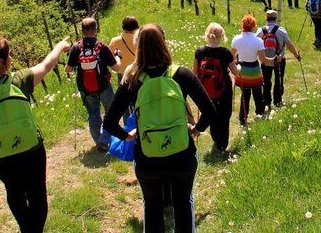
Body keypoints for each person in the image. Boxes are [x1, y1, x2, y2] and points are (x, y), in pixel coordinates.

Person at [103, 24, 215, 233]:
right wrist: (196, 129)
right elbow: (209, 110)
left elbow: (109, 122)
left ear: (138, 47)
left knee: (152, 207)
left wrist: (128, 136)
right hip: (182, 154)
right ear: (164, 43)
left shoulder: (132, 79)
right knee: (184, 203)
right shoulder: (181, 74)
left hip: (147, 157)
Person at [0, 35, 70, 233]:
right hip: (32, 150)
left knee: (14, 191)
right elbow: (46, 65)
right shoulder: (19, 80)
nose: (11, 57)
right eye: (9, 55)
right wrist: (60, 46)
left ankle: (26, 229)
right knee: (37, 193)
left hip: (0, 155)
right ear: (2, 62)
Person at [66, 17, 124, 151]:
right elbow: (116, 68)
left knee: (93, 113)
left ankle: (98, 141)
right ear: (95, 30)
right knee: (111, 112)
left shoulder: (76, 47)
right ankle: (104, 140)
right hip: (103, 86)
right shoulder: (101, 47)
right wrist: (118, 57)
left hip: (85, 88)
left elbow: (68, 69)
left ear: (82, 31)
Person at [192, 23, 239, 153]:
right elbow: (235, 72)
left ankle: (215, 138)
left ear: (207, 35)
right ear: (222, 36)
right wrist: (239, 68)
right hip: (224, 89)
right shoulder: (225, 53)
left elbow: (194, 73)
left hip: (205, 90)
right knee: (224, 115)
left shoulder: (199, 51)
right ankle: (222, 145)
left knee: (211, 113)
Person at [230, 14, 277, 125]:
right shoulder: (258, 41)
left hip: (243, 69)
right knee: (257, 93)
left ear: (242, 25)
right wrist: (274, 60)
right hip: (254, 69)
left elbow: (231, 57)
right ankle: (260, 112)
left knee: (245, 94)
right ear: (254, 26)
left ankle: (243, 117)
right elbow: (263, 59)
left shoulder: (236, 39)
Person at [257, 10, 301, 109]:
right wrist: (296, 55)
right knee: (278, 80)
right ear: (276, 19)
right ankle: (278, 101)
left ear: (266, 18)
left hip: (265, 60)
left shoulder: (260, 31)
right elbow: (289, 45)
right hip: (279, 60)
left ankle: (266, 102)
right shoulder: (281, 30)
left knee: (266, 81)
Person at [109, 16, 139, 87]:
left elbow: (110, 56)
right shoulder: (139, 39)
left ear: (123, 27)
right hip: (137, 71)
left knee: (124, 94)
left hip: (122, 73)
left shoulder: (115, 41)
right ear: (137, 26)